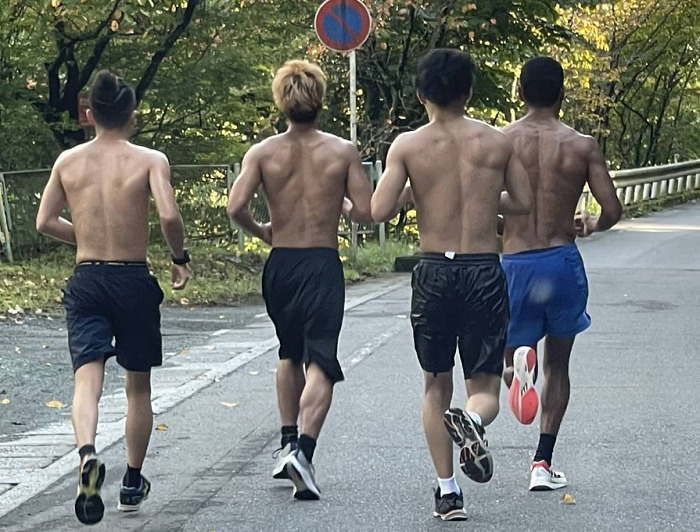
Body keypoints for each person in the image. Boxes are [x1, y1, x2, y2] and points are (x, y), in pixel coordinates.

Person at [372, 48, 532, 520]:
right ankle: (474, 419)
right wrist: (484, 200)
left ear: (421, 94)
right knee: (484, 386)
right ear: (468, 92)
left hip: (434, 273)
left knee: (434, 384)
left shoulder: (407, 146)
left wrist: (417, 191)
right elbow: (522, 203)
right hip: (482, 269)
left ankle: (448, 493)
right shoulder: (497, 142)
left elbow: (379, 210)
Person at [35, 70, 190, 525]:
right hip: (132, 279)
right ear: (132, 115)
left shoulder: (67, 161)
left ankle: (87, 454)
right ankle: (131, 482)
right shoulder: (150, 160)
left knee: (87, 379)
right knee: (137, 386)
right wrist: (179, 257)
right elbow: (168, 214)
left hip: (87, 279)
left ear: (89, 115)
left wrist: (85, 235)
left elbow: (44, 222)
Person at [226, 60, 373, 501]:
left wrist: (263, 231)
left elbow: (235, 207)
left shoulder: (262, 153)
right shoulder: (342, 151)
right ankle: (303, 453)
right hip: (321, 263)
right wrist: (341, 204)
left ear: (281, 101)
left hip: (282, 263)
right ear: (320, 100)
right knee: (321, 360)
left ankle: (287, 440)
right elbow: (365, 212)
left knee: (289, 352)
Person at [501, 56, 622, 491]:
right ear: (563, 94)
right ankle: (541, 463)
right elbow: (612, 209)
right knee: (559, 364)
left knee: (510, 354)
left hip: (515, 262)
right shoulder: (581, 145)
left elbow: (481, 203)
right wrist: (591, 224)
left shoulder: (500, 141)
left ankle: (516, 370)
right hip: (561, 261)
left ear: (519, 92)